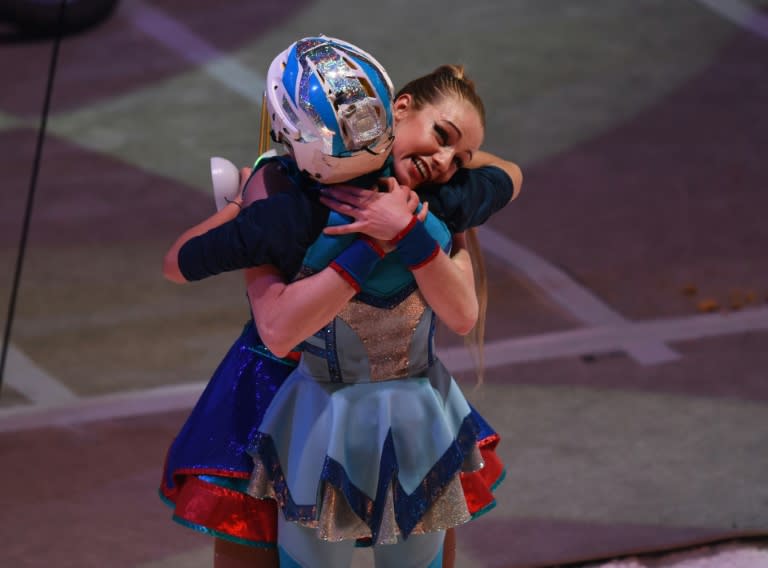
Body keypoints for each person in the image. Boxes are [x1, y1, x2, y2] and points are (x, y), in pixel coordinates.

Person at [160, 36, 521, 568]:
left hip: (393, 400)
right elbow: (237, 300)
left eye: (456, 154)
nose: (445, 160)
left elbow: (506, 173)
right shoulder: (285, 204)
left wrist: (419, 204)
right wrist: (249, 199)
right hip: (279, 390)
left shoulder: (438, 194)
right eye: (441, 139)